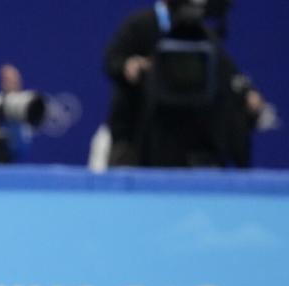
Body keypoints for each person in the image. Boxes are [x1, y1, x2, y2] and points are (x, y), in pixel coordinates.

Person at [103, 0, 266, 167]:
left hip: (184, 137)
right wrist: (129, 65)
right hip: (135, 131)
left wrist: (247, 94)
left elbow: (228, 72)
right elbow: (112, 61)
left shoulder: (201, 34)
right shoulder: (140, 23)